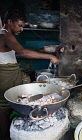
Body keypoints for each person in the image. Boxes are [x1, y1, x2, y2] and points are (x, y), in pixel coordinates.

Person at [0, 9, 59, 139]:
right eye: (19, 25)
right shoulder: (5, 35)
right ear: (10, 22)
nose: (21, 29)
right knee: (4, 107)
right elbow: (23, 52)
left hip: (10, 72)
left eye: (23, 26)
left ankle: (12, 128)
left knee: (12, 102)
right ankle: (5, 136)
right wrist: (49, 56)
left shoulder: (6, 34)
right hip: (5, 75)